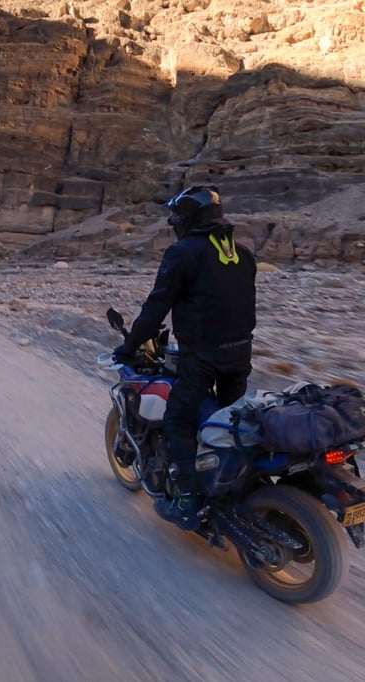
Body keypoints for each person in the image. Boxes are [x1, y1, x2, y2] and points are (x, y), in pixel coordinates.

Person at [113, 185, 257, 531]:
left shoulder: (184, 253)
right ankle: (234, 487)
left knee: (178, 418)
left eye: (178, 217)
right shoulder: (242, 253)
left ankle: (188, 501)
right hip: (240, 354)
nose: (175, 224)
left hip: (203, 358)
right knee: (229, 427)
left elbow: (156, 306)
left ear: (190, 218)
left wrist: (130, 346)